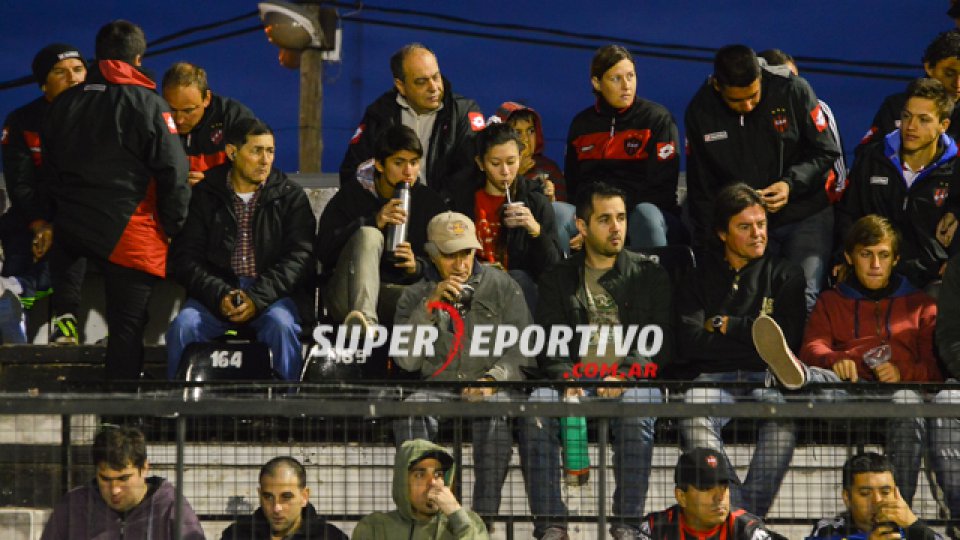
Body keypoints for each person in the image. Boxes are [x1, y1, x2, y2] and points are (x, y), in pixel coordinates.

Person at [753, 215, 948, 520]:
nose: (875, 264)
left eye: (883, 256)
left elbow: (935, 371)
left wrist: (902, 373)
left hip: (894, 401)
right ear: (849, 257)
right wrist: (835, 359)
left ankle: (896, 516)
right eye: (866, 254)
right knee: (821, 378)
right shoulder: (831, 300)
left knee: (907, 400)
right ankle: (796, 375)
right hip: (845, 396)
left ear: (895, 259)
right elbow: (814, 346)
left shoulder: (921, 305)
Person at [38, 20, 190, 379]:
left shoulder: (62, 104)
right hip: (128, 231)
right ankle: (118, 423)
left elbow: (51, 167)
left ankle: (65, 320)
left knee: (74, 279)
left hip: (72, 229)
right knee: (127, 327)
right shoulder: (148, 103)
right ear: (138, 58)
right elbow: (174, 173)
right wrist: (173, 227)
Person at [528, 181, 673, 540]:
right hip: (576, 380)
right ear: (582, 225)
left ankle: (626, 524)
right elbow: (550, 343)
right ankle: (551, 525)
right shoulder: (558, 278)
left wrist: (625, 374)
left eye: (621, 218)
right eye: (605, 219)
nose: (617, 227)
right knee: (536, 406)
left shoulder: (649, 274)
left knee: (639, 403)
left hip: (631, 382)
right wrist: (567, 378)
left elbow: (660, 341)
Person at [392, 211, 536, 535]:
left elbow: (524, 352)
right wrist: (428, 309)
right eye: (450, 255)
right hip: (439, 387)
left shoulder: (503, 286)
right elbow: (407, 362)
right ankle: (427, 517)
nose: (461, 264)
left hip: (489, 386)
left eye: (466, 253)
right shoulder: (413, 296)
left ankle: (481, 524)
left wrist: (492, 380)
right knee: (411, 409)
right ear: (431, 254)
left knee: (495, 417)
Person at [676, 183, 806, 518]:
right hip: (713, 381)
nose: (757, 234)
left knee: (784, 420)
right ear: (722, 233)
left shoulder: (785, 273)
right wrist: (755, 339)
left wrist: (725, 324)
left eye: (761, 225)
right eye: (745, 227)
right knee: (693, 405)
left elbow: (787, 340)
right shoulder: (697, 276)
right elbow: (690, 343)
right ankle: (744, 520)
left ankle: (741, 518)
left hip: (764, 379)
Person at [685, 44, 841, 311]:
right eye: (736, 101)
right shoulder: (700, 112)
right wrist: (707, 247)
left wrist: (790, 184)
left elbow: (826, 151)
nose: (746, 105)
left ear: (760, 76)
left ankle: (796, 355)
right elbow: (702, 188)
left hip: (805, 214)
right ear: (717, 86)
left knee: (802, 298)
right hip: (746, 226)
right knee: (752, 303)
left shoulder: (793, 90)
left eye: (753, 96)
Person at [167, 118, 315, 381]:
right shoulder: (205, 194)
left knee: (281, 326)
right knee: (183, 326)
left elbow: (300, 258)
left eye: (270, 151)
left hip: (270, 295)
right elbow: (185, 258)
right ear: (232, 152)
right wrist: (220, 294)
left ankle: (287, 413)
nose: (265, 160)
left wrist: (256, 298)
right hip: (216, 294)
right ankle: (181, 414)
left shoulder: (290, 196)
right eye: (256, 150)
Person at [318, 124, 446, 329]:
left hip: (394, 291)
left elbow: (447, 261)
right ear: (379, 164)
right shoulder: (352, 195)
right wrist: (373, 221)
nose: (408, 171)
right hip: (347, 296)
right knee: (369, 235)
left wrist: (417, 266)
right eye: (399, 163)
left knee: (431, 303)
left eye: (414, 163)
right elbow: (324, 251)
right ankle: (364, 322)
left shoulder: (429, 202)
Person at [839, 78, 960, 290]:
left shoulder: (955, 169)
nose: (911, 127)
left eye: (924, 120)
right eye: (906, 116)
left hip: (930, 278)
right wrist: (841, 257)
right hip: (873, 272)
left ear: (943, 125)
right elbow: (849, 213)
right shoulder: (873, 159)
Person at [1, 43, 87, 343]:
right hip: (36, 212)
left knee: (72, 235)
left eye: (78, 70)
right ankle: (12, 320)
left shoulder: (100, 115)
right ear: (43, 84)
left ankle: (65, 321)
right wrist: (39, 223)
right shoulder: (22, 120)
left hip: (85, 211)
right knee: (13, 232)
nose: (73, 78)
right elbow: (19, 181)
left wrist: (54, 224)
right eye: (60, 72)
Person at [565, 44, 683, 250]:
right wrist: (593, 223)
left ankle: (654, 280)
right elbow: (574, 187)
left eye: (631, 76)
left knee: (646, 214)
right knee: (558, 213)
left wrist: (614, 221)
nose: (626, 85)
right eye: (616, 79)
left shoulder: (656, 119)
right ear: (597, 83)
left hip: (647, 215)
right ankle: (563, 281)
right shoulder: (581, 125)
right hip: (595, 217)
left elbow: (662, 190)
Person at [339, 43, 483, 208]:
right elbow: (353, 171)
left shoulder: (463, 112)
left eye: (436, 77)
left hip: (446, 213)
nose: (433, 87)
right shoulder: (379, 113)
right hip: (389, 212)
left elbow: (471, 172)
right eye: (421, 82)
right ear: (401, 86)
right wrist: (379, 209)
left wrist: (434, 206)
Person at [39, 425, 204, 540]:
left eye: (123, 478)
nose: (115, 490)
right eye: (105, 479)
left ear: (144, 468)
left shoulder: (171, 508)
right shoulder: (73, 506)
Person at [466, 122, 562, 312]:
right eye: (495, 163)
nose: (505, 172)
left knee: (520, 279)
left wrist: (535, 230)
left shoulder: (535, 201)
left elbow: (554, 269)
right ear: (480, 163)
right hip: (472, 284)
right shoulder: (462, 200)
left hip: (517, 290)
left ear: (520, 158)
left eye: (511, 162)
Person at [758, 48, 848, 205]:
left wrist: (838, 198)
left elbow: (834, 156)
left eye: (794, 77)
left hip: (809, 208)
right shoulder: (748, 111)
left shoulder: (819, 108)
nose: (793, 85)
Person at [637, 447, 786, 540]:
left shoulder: (748, 530)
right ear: (681, 497)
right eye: (707, 488)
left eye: (724, 486)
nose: (720, 497)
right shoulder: (654, 529)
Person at [489, 101, 578, 256]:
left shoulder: (548, 168)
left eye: (530, 131)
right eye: (517, 132)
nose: (525, 139)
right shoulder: (490, 166)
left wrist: (551, 200)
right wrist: (516, 175)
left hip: (541, 244)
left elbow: (563, 216)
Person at [352, 439, 487, 539]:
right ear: (403, 482)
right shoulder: (375, 527)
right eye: (420, 475)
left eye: (438, 474)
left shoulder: (467, 523)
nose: (433, 482)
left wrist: (457, 517)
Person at [807, 452, 944, 540]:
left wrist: (915, 526)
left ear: (896, 494)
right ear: (847, 497)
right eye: (865, 493)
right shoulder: (830, 529)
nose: (877, 500)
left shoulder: (912, 530)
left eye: (885, 492)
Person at [161, 61, 258, 186]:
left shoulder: (234, 116)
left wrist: (214, 181)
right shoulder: (154, 117)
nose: (179, 120)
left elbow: (256, 168)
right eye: (172, 109)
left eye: (188, 110)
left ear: (206, 98)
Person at [860, 30, 960, 148]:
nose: (957, 83)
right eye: (949, 73)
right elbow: (866, 155)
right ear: (929, 68)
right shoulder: (895, 107)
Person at [221, 456, 347, 540]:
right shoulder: (236, 535)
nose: (276, 508)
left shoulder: (330, 537)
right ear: (259, 495)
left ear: (304, 496)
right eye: (268, 497)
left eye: (286, 497)